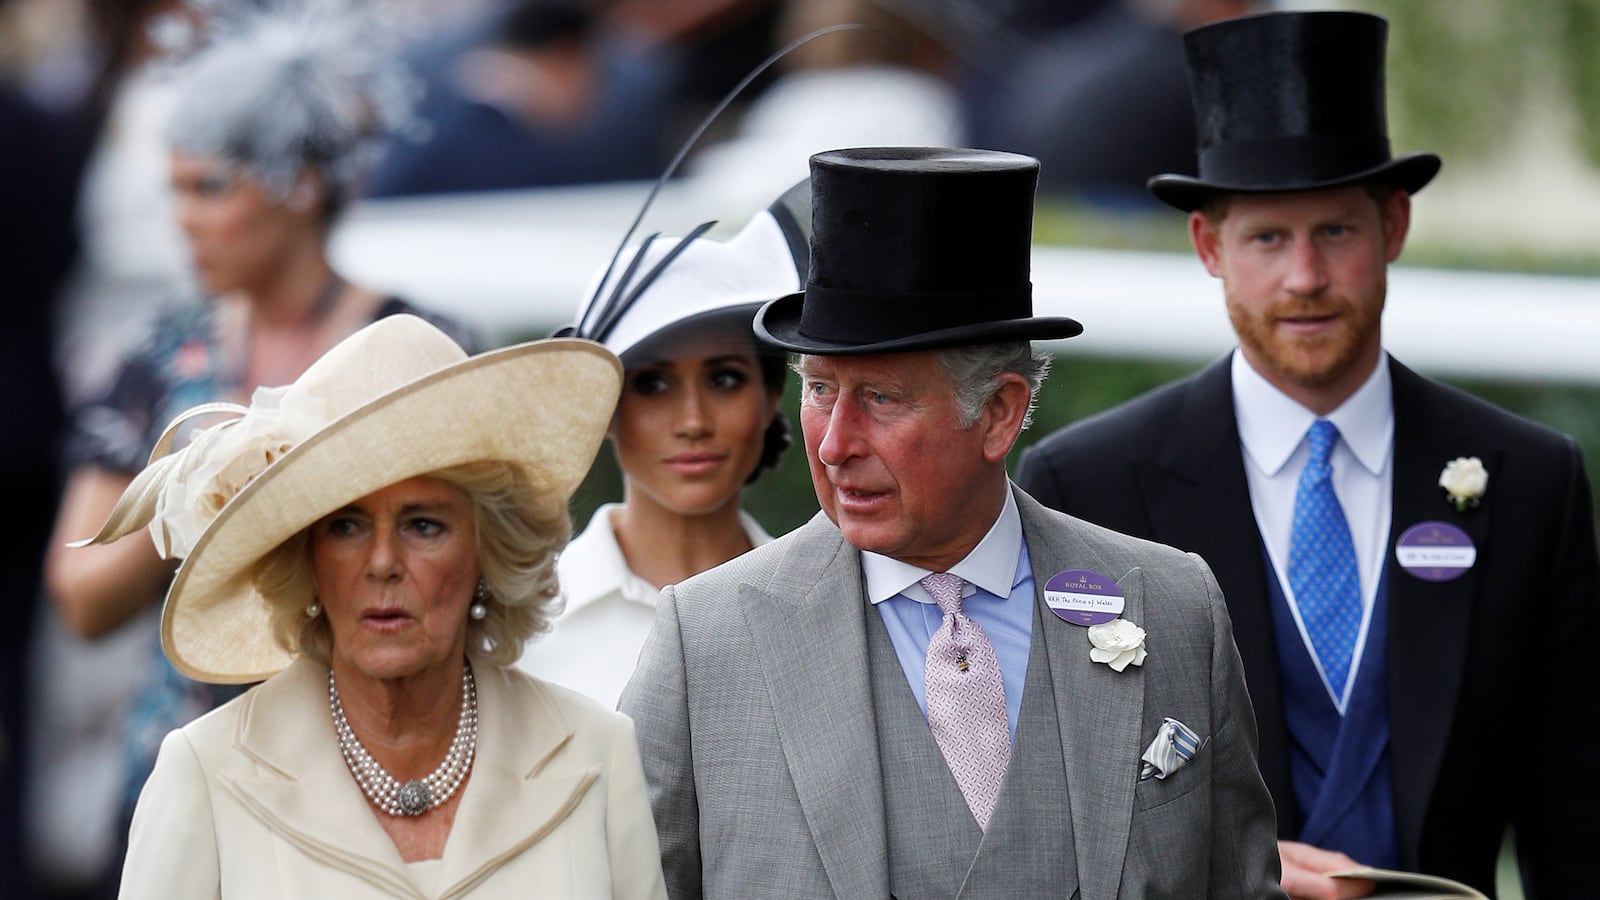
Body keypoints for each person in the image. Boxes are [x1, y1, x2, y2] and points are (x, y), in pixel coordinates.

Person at [1015, 10, 1600, 899]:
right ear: (1209, 246)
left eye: (1335, 232)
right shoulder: (1088, 483)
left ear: (1393, 228)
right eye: (1267, 238)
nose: (1305, 279)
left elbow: (1577, 818)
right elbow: (1058, 807)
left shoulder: (1530, 480)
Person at [620, 146, 1284, 898]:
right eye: (818, 390)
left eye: (881, 398)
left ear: (999, 413)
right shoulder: (705, 643)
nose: (835, 443)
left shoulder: (1174, 606)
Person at [40, 0, 478, 880]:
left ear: (300, 186)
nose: (184, 219)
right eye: (174, 188)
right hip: (189, 771)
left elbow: (472, 578)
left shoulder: (409, 346)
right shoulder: (168, 356)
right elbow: (80, 594)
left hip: (373, 777)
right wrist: (200, 488)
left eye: (210, 188)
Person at [71, 314, 667, 898]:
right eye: (347, 526)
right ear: (305, 560)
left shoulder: (596, 752)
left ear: (490, 550)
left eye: (425, 525)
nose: (382, 561)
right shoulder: (204, 772)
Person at [515, 179, 807, 707]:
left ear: (769, 400)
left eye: (724, 380)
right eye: (652, 384)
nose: (693, 420)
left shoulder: (824, 615)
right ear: (602, 409)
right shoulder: (521, 628)